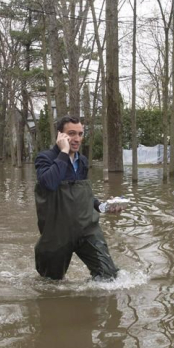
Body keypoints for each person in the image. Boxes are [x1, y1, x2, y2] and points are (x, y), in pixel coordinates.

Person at [34, 116, 124, 280]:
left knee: (109, 276)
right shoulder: (45, 158)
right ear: (60, 135)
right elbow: (49, 183)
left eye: (80, 134)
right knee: (50, 285)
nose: (77, 139)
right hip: (57, 234)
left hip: (86, 230)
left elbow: (84, 196)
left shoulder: (82, 161)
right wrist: (63, 152)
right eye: (71, 134)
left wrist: (103, 207)